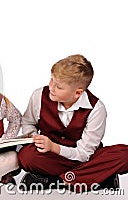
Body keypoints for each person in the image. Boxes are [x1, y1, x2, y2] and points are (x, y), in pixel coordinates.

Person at [18, 54, 128, 192]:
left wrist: (54, 147)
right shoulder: (39, 95)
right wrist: (35, 138)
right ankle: (96, 178)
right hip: (52, 157)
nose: (51, 87)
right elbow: (28, 122)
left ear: (77, 93)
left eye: (58, 86)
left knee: (124, 155)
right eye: (51, 80)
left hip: (84, 157)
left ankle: (57, 181)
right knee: (26, 156)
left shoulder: (96, 109)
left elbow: (84, 153)